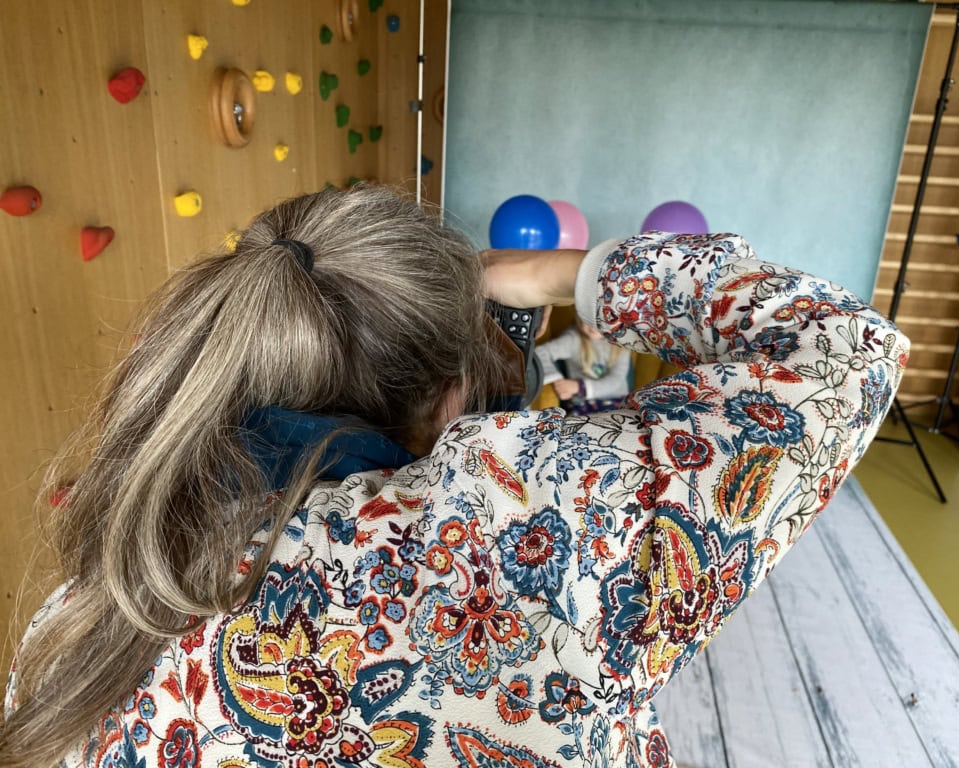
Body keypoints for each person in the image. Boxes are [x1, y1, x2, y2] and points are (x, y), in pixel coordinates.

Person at [0, 185, 907, 767]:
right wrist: (570, 274)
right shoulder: (518, 534)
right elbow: (846, 351)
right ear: (447, 400)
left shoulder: (76, 624)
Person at [536, 318, 632, 414]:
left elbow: (616, 380)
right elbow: (540, 352)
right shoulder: (573, 339)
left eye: (602, 320)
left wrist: (580, 387)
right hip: (583, 405)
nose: (594, 325)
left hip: (617, 401)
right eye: (589, 316)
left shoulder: (621, 343)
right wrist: (557, 380)